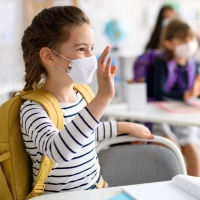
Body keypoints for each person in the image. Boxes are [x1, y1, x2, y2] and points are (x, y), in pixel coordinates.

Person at [20, 6, 154, 194]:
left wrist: (125, 127)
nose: (91, 57)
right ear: (49, 56)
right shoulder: (33, 109)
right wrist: (103, 98)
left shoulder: (80, 95)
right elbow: (59, 151)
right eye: (81, 49)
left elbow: (85, 133)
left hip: (95, 191)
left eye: (91, 48)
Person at [152, 19, 200, 176]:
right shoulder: (162, 64)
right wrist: (184, 95)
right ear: (168, 43)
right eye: (183, 40)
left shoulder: (193, 64)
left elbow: (193, 92)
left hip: (184, 118)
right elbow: (159, 92)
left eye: (190, 39)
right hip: (161, 118)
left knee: (192, 148)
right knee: (174, 149)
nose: (189, 43)